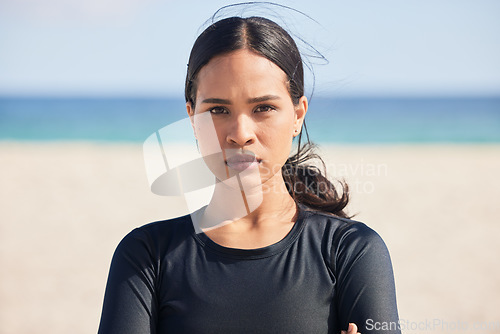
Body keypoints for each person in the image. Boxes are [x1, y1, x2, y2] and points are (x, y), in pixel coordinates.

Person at [98, 13, 401, 334]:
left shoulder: (350, 251)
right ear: (192, 117)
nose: (240, 133)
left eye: (263, 108)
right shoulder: (147, 257)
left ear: (298, 115)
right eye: (218, 110)